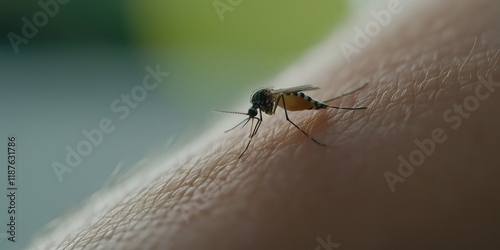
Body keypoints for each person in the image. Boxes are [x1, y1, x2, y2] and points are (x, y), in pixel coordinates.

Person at [30, 0, 500, 249]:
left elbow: (279, 102)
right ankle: (340, 105)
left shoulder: (275, 102)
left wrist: (304, 111)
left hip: (297, 99)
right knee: (305, 107)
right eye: (256, 115)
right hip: (291, 97)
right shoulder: (267, 102)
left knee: (310, 107)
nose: (255, 119)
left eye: (255, 115)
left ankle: (343, 106)